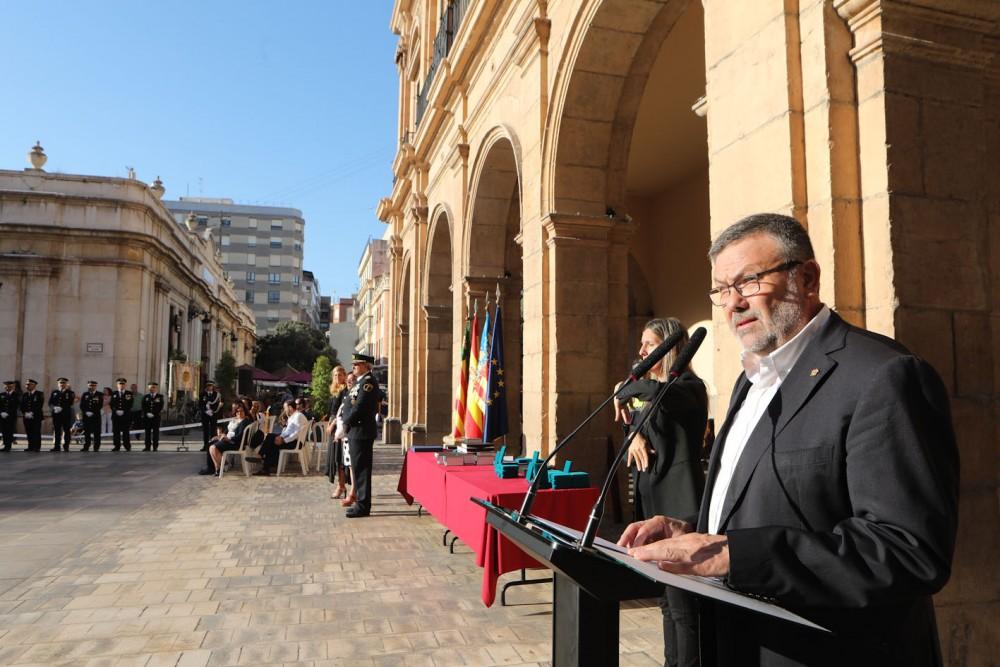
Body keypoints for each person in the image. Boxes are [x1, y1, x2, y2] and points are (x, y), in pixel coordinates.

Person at [617, 214, 959, 666]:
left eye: (749, 282)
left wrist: (733, 554)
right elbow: (769, 501)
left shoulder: (884, 376)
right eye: (721, 289)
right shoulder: (751, 380)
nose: (732, 304)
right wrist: (697, 532)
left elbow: (907, 550)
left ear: (808, 278)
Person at [613, 319, 708, 667]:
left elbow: (649, 394)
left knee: (684, 605)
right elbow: (636, 419)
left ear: (670, 349)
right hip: (650, 500)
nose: (640, 353)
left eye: (649, 345)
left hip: (679, 503)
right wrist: (633, 435)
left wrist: (624, 389)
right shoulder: (654, 389)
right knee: (665, 600)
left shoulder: (689, 387)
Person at [340, 353, 380, 518]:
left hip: (361, 430)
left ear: (365, 365)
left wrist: (346, 422)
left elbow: (361, 406)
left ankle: (363, 506)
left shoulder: (368, 382)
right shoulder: (361, 381)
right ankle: (360, 503)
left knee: (362, 470)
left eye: (356, 364)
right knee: (358, 468)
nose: (354, 367)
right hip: (357, 431)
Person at [254, 399, 308, 475]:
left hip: (295, 443)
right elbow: (288, 431)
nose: (284, 410)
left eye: (285, 408)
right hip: (291, 440)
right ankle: (267, 466)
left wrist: (284, 440)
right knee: (271, 438)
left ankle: (262, 459)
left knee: (271, 439)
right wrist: (281, 437)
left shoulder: (298, 416)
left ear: (290, 408)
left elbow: (296, 433)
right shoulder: (293, 416)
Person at [200, 401, 253, 475]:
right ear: (234, 412)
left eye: (241, 411)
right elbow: (227, 431)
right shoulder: (235, 419)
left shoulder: (244, 421)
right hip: (228, 440)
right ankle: (214, 468)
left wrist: (228, 439)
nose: (240, 413)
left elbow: (240, 436)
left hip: (234, 443)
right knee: (210, 443)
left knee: (213, 447)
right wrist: (219, 436)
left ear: (244, 411)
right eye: (237, 411)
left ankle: (221, 466)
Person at [325, 366, 350, 500]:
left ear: (344, 375)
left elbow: (341, 410)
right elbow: (332, 410)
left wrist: (332, 424)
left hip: (339, 426)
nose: (338, 377)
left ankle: (341, 486)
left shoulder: (345, 390)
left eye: (340, 375)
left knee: (340, 458)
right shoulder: (334, 390)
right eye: (335, 375)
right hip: (333, 424)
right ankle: (341, 485)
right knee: (335, 458)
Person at [49, 377, 76, 452]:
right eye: (60, 383)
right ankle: (56, 446)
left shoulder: (70, 393)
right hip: (56, 415)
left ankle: (66, 446)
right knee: (57, 431)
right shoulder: (54, 392)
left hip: (65, 415)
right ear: (58, 384)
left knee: (66, 431)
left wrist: (62, 408)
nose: (62, 384)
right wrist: (54, 408)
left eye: (64, 383)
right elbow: (50, 403)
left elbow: (70, 403)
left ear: (66, 384)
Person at [79, 380, 104, 452]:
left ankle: (96, 447)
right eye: (90, 385)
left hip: (95, 416)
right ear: (88, 386)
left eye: (93, 385)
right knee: (87, 432)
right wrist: (86, 412)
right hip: (86, 416)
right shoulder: (85, 394)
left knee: (97, 432)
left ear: (96, 386)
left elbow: (100, 405)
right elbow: (82, 405)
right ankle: (86, 446)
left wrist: (92, 412)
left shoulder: (99, 394)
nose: (92, 387)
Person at [20, 379, 44, 452]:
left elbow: (39, 405)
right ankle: (30, 446)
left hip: (36, 416)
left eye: (29, 384)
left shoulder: (39, 394)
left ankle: (37, 447)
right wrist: (25, 413)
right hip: (27, 417)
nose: (27, 386)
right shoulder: (24, 395)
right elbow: (22, 405)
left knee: (36, 432)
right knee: (29, 432)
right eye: (27, 384)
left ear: (34, 385)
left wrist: (32, 412)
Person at [198, 380, 222, 452]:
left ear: (213, 386)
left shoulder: (216, 394)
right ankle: (205, 446)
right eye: (208, 386)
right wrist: (205, 411)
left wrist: (213, 411)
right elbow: (200, 404)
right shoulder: (202, 394)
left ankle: (212, 445)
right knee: (205, 431)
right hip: (205, 415)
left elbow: (218, 404)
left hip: (213, 415)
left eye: (210, 386)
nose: (209, 387)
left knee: (213, 430)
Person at [110, 378, 133, 451]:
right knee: (116, 432)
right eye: (120, 384)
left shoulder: (129, 394)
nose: (121, 385)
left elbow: (130, 404)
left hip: (125, 415)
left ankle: (127, 446)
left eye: (123, 384)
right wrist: (115, 410)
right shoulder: (114, 393)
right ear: (117, 385)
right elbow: (111, 404)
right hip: (116, 416)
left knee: (126, 431)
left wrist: (124, 411)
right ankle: (117, 446)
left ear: (125, 385)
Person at [141, 382, 165, 451]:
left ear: (156, 388)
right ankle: (147, 446)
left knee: (155, 433)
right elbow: (143, 406)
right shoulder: (146, 397)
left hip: (156, 417)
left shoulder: (160, 397)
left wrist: (154, 413)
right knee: (147, 433)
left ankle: (155, 447)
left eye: (153, 387)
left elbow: (160, 406)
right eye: (150, 387)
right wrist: (147, 413)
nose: (152, 389)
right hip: (147, 417)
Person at [0, 380, 18, 452]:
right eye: (6, 386)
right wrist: (1, 412)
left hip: (11, 416)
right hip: (2, 416)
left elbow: (16, 406)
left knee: (9, 431)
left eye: (10, 386)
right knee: (4, 431)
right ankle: (5, 445)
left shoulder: (16, 395)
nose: (8, 388)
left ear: (13, 387)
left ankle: (8, 446)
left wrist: (8, 413)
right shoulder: (1, 395)